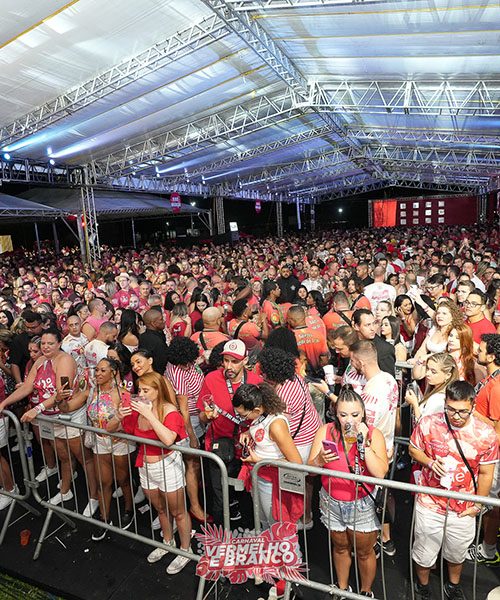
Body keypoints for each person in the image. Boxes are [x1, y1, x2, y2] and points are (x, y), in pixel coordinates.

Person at [409, 381, 498, 600]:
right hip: (429, 501)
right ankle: (422, 585)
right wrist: (429, 462)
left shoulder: (486, 434)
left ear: (473, 407)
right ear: (444, 404)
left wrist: (478, 504)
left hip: (463, 506)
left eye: (462, 411)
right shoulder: (429, 423)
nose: (456, 416)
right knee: (424, 549)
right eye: (451, 409)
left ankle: (453, 585)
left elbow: (486, 473)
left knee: (457, 551)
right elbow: (413, 449)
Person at [308, 385, 388, 598]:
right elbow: (310, 470)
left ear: (363, 414)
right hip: (331, 500)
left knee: (364, 552)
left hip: (361, 503)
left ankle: (366, 591)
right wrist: (319, 460)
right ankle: (343, 588)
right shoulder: (325, 431)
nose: (349, 420)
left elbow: (380, 472)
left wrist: (365, 445)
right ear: (336, 413)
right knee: (340, 547)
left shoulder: (374, 434)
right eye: (343, 414)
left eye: (354, 414)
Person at [118, 371, 193, 575]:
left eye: (146, 390)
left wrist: (150, 414)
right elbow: (113, 428)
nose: (140, 394)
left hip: (167, 466)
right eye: (139, 390)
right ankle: (167, 542)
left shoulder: (170, 411)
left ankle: (185, 549)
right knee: (160, 510)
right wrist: (118, 416)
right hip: (146, 466)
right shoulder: (138, 410)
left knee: (178, 511)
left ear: (158, 390)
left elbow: (168, 439)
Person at [196, 339, 262, 525]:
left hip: (247, 450)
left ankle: (248, 540)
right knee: (219, 498)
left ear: (245, 360)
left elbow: (264, 416)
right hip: (220, 447)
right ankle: (220, 540)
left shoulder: (256, 382)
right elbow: (201, 415)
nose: (229, 366)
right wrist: (207, 416)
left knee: (247, 496)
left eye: (234, 361)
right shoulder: (211, 379)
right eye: (226, 360)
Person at [258, 347, 322, 529]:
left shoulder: (282, 394)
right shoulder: (297, 378)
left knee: (292, 486)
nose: (262, 376)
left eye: (265, 374)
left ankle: (291, 523)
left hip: (298, 444)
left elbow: (279, 428)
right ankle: (306, 517)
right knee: (307, 480)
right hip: (311, 436)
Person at [234, 383, 302, 531]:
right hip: (260, 477)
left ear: (257, 409)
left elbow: (296, 461)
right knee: (264, 523)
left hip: (273, 482)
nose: (241, 418)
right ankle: (270, 552)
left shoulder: (276, 425)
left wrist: (259, 461)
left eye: (243, 415)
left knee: (278, 528)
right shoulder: (261, 416)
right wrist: (248, 433)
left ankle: (286, 554)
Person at [85, 358, 135, 539]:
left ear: (113, 372)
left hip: (120, 442)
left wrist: (115, 428)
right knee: (103, 482)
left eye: (102, 370)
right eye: (96, 370)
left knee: (123, 479)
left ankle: (129, 509)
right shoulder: (91, 392)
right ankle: (104, 519)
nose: (97, 373)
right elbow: (70, 406)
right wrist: (61, 400)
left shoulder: (123, 394)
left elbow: (129, 423)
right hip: (100, 441)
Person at [164, 337, 211, 523]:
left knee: (195, 463)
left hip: (198, 416)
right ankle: (195, 506)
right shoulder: (177, 373)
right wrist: (191, 435)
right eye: (186, 363)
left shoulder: (188, 365)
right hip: (189, 420)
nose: (188, 365)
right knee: (191, 464)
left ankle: (195, 495)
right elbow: (183, 408)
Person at [467, 334, 500, 566]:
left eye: (481, 349)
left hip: (493, 453)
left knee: (491, 503)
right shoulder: (490, 379)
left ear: (492, 356)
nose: (477, 352)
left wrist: (469, 410)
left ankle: (488, 550)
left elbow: (497, 427)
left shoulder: (497, 387)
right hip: (485, 449)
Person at [406, 353, 460, 420]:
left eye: (433, 372)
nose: (427, 374)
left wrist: (414, 404)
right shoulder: (435, 392)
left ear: (448, 375)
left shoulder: (438, 398)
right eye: (427, 369)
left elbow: (424, 425)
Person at [352, 309, 395, 377]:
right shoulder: (351, 344)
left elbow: (388, 381)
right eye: (367, 325)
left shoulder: (384, 349)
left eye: (374, 323)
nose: (372, 328)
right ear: (356, 326)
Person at [287, 304, 329, 375]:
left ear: (291, 320)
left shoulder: (289, 338)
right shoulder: (318, 334)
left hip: (300, 376)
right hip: (317, 375)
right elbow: (324, 360)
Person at [139, 309, 169, 375]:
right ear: (153, 323)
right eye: (161, 319)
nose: (164, 321)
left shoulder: (142, 337)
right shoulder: (157, 342)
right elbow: (162, 364)